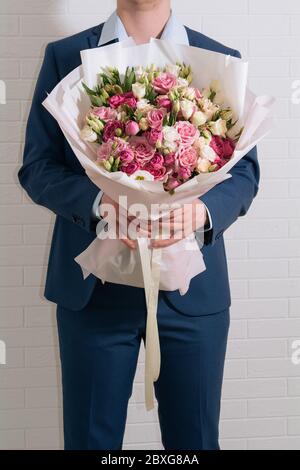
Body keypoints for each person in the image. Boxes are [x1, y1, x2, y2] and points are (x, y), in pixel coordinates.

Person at [18, 0, 259, 450]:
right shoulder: (66, 55)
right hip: (93, 293)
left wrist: (200, 212)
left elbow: (245, 173)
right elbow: (38, 168)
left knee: (196, 445)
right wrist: (99, 203)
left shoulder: (218, 60)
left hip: (192, 294)